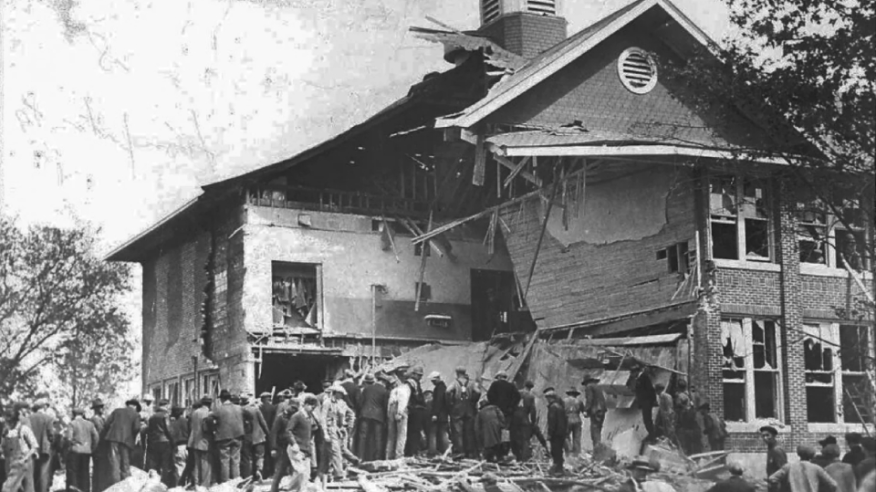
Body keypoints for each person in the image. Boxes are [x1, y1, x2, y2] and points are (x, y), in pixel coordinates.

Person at [208, 390, 249, 483]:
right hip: (238, 436)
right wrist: (244, 427)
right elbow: (249, 416)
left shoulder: (218, 409)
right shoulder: (239, 408)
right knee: (235, 460)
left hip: (223, 437)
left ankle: (225, 482)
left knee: (224, 461)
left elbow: (208, 419)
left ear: (221, 399)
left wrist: (214, 429)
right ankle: (236, 481)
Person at [101, 399, 141, 486]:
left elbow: (107, 424)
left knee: (114, 463)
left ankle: (115, 486)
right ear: (135, 406)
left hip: (113, 439)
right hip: (126, 441)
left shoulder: (117, 411)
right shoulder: (136, 414)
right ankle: (126, 486)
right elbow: (136, 428)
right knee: (125, 463)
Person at [323, 384, 358, 481]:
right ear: (335, 393)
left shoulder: (342, 403)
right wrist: (325, 433)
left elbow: (351, 413)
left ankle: (355, 461)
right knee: (335, 451)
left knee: (341, 449)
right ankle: (338, 475)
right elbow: (323, 418)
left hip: (340, 430)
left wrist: (349, 425)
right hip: (331, 428)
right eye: (340, 394)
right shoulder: (327, 403)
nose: (342, 396)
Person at [768, 444, 837, 492]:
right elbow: (833, 484)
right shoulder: (816, 468)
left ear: (798, 453)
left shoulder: (788, 467)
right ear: (812, 455)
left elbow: (772, 479)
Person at [2, 402, 38, 492]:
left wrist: (25, 458)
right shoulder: (6, 430)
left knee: (27, 486)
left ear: (15, 420)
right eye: (7, 422)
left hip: (23, 460)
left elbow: (34, 445)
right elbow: (3, 444)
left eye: (10, 422)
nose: (7, 424)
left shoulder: (23, 428)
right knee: (13, 487)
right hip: (9, 460)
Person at [447, 367, 479, 459]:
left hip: (457, 407)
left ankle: (459, 451)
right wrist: (473, 401)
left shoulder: (455, 382)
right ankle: (470, 452)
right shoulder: (471, 383)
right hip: (469, 407)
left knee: (457, 430)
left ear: (457, 373)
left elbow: (448, 391)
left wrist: (451, 402)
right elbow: (478, 392)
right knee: (469, 430)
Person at [486, 370, 520, 459]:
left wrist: (494, 405)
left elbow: (489, 395)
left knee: (496, 431)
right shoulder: (511, 386)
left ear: (499, 377)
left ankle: (496, 452)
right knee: (505, 432)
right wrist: (511, 407)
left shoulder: (495, 385)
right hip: (508, 413)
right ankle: (504, 452)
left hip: (497, 412)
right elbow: (517, 397)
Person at [65, 408, 99, 492]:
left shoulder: (72, 424)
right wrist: (92, 448)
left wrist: (69, 448)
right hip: (86, 452)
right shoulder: (90, 424)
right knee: (85, 473)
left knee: (73, 474)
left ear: (73, 415)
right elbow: (96, 437)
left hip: (75, 451)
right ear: (83, 414)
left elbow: (68, 438)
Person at [357, 374, 388, 462]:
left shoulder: (367, 389)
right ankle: (377, 458)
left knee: (362, 437)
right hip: (378, 416)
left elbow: (360, 402)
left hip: (365, 414)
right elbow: (385, 406)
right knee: (378, 438)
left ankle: (360, 457)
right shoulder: (384, 391)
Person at [28, 399, 55, 492]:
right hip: (44, 450)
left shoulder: (29, 418)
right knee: (43, 475)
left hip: (31, 449)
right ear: (44, 407)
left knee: (31, 474)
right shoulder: (48, 418)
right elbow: (51, 435)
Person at [145, 399, 174, 485]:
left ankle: (153, 483)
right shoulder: (165, 416)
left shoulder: (152, 417)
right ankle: (163, 483)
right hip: (164, 441)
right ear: (166, 405)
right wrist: (173, 441)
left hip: (153, 442)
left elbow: (149, 430)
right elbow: (168, 430)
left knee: (154, 464)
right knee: (165, 464)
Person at [241, 394, 268, 481]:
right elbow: (262, 422)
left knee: (247, 457)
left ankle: (248, 475)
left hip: (246, 437)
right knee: (259, 456)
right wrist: (268, 433)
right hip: (259, 436)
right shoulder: (256, 409)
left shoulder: (240, 410)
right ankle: (258, 470)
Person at [187, 396, 213, 487]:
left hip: (194, 441)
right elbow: (208, 428)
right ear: (210, 404)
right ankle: (204, 485)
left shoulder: (195, 412)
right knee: (205, 464)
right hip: (205, 441)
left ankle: (196, 484)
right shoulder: (209, 413)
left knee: (197, 464)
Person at [386, 372, 411, 460]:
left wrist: (389, 414)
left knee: (391, 435)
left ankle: (389, 456)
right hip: (400, 408)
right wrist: (400, 412)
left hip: (392, 409)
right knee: (401, 434)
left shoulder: (394, 390)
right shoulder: (405, 388)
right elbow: (403, 400)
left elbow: (390, 403)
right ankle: (399, 456)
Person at [404, 367, 427, 457]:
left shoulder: (410, 382)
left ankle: (411, 452)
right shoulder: (413, 383)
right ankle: (412, 452)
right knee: (414, 433)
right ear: (413, 374)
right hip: (416, 410)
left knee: (412, 432)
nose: (420, 377)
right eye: (418, 375)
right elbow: (417, 397)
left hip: (413, 410)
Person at [674, 379, 702, 455]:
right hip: (690, 416)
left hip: (684, 417)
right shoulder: (687, 395)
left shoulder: (680, 396)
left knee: (686, 439)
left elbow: (678, 405)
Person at [545, 387, 567, 476]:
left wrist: (550, 434)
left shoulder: (553, 408)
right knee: (559, 451)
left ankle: (557, 470)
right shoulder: (560, 407)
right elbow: (565, 420)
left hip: (555, 434)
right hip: (561, 433)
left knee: (555, 452)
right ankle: (560, 469)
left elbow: (552, 422)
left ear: (550, 398)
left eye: (547, 398)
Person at [88, 399, 109, 492]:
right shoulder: (93, 419)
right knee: (98, 469)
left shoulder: (103, 418)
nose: (102, 409)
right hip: (98, 448)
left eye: (102, 407)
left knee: (102, 469)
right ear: (96, 409)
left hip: (104, 447)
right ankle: (97, 489)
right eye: (100, 407)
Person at [632, 365, 657, 443]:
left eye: (632, 373)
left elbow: (651, 389)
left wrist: (653, 400)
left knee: (647, 420)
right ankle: (651, 435)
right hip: (644, 402)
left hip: (647, 402)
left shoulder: (644, 377)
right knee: (646, 420)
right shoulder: (639, 378)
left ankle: (652, 437)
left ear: (636, 372)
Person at [428, 371, 450, 456]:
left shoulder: (439, 388)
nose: (432, 382)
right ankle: (445, 451)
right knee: (443, 432)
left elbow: (438, 402)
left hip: (439, 415)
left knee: (433, 433)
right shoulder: (444, 387)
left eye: (433, 381)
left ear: (437, 379)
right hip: (443, 415)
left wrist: (435, 414)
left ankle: (432, 451)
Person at [582, 377, 606, 449]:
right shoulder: (597, 387)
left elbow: (590, 399)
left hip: (595, 410)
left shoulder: (589, 387)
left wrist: (586, 410)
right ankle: (599, 448)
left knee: (594, 430)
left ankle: (597, 450)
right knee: (598, 429)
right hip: (602, 410)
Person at [167, 406, 189, 487]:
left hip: (178, 447)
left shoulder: (174, 424)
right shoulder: (186, 421)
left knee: (179, 468)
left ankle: (179, 486)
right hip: (187, 446)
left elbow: (171, 436)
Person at [562, 388, 584, 455]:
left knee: (565, 436)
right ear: (576, 395)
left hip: (567, 419)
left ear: (568, 394)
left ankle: (569, 451)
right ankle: (576, 453)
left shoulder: (563, 401)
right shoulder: (579, 401)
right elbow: (584, 412)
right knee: (577, 437)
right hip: (577, 419)